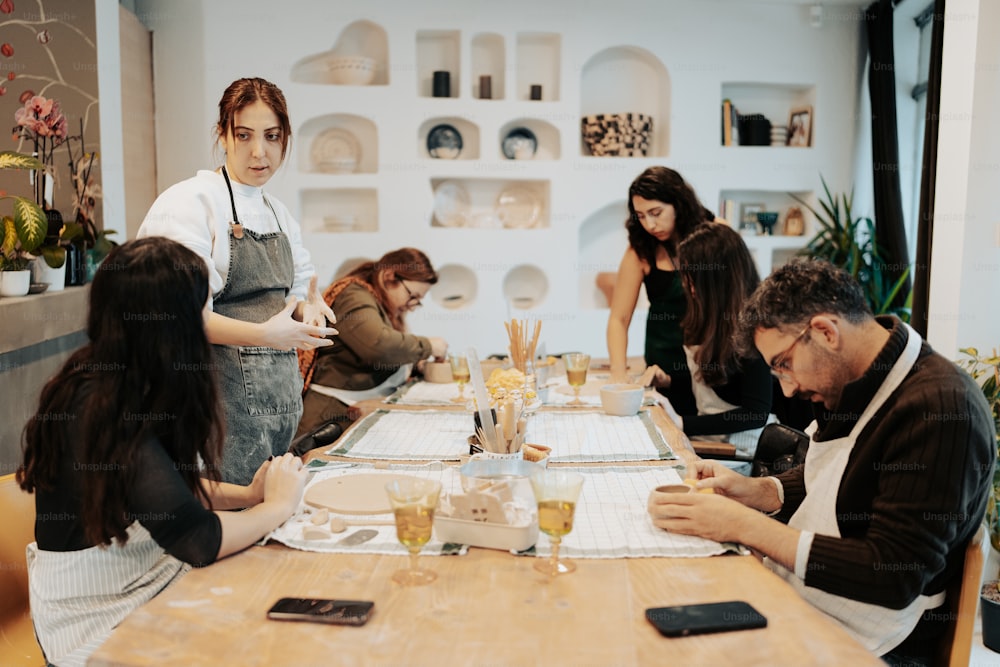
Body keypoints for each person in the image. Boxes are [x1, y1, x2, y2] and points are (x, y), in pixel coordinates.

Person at [647, 258, 995, 664]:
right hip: (813, 601)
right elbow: (835, 474)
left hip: (878, 644)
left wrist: (743, 525)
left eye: (783, 365)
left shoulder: (940, 408)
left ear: (826, 332)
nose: (789, 389)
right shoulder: (852, 379)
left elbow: (894, 573)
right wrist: (761, 491)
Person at [17, 237, 308, 667]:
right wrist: (278, 506)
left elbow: (163, 492)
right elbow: (196, 539)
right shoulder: (100, 405)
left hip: (142, 574)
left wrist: (247, 496)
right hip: (95, 614)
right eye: (201, 306)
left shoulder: (122, 375)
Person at [138, 77, 336, 485]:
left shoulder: (278, 214)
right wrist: (265, 335)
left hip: (277, 413)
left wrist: (309, 309)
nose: (259, 152)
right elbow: (176, 318)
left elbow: (299, 291)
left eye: (272, 136)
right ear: (222, 135)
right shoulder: (190, 202)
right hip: (212, 416)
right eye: (243, 135)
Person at [296, 247, 449, 436]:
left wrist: (415, 365)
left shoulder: (376, 302)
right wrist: (428, 346)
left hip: (347, 410)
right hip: (326, 417)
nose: (412, 306)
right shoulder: (353, 295)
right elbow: (380, 346)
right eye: (412, 296)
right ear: (388, 276)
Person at [606, 165, 716, 415]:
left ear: (678, 202)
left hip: (709, 368)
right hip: (662, 369)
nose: (650, 224)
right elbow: (618, 319)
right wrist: (619, 375)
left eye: (656, 212)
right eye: (641, 216)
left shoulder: (715, 234)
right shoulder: (641, 248)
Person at [657, 222, 773, 458]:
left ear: (715, 278)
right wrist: (669, 381)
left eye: (692, 276)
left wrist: (683, 423)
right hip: (709, 443)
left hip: (741, 450)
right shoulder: (705, 317)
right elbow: (713, 381)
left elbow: (755, 412)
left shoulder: (756, 328)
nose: (687, 285)